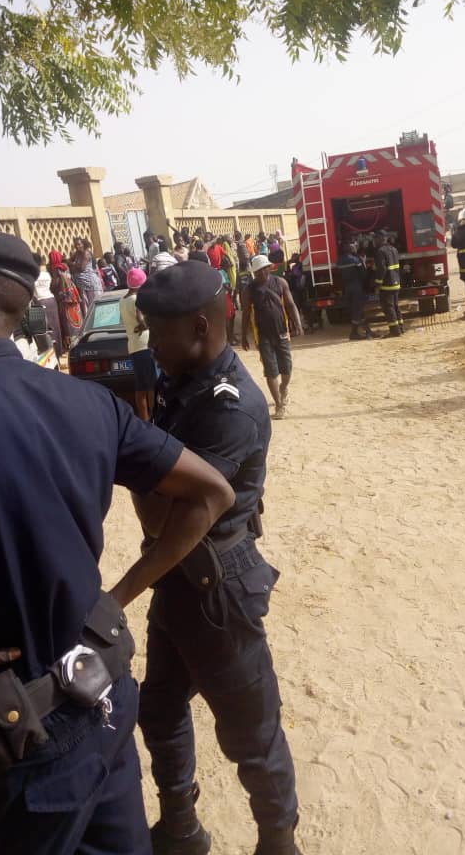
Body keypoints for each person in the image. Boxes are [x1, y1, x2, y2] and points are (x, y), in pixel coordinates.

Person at [0, 227, 235, 855]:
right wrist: (121, 594)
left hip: (15, 746)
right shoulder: (89, 402)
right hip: (101, 702)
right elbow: (211, 492)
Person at [112, 262, 302, 855]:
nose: (150, 345)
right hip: (180, 584)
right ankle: (181, 830)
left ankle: (278, 841)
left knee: (251, 734)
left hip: (217, 587)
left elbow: (177, 525)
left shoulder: (227, 406)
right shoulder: (183, 381)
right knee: (161, 708)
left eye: (157, 332)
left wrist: (112, 599)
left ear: (199, 326)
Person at [241, 255, 302, 420]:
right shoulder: (249, 290)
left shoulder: (280, 283)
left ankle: (283, 388)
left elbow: (290, 304)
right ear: (254, 272)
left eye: (264, 269)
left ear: (269, 268)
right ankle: (279, 405)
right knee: (271, 371)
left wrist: (297, 323)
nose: (261, 273)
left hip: (282, 331)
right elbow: (246, 313)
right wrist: (243, 336)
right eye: (258, 271)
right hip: (262, 336)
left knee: (287, 368)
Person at [120, 266, 157, 421]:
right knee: (152, 386)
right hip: (145, 345)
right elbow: (141, 319)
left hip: (133, 346)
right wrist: (147, 324)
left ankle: (144, 419)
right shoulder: (137, 300)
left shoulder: (123, 300)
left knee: (140, 387)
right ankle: (155, 418)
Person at [48, 248, 84, 349]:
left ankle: (71, 345)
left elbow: (55, 284)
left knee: (67, 322)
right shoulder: (65, 267)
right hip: (73, 298)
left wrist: (51, 288)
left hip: (65, 300)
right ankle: (79, 340)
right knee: (76, 318)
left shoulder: (55, 269)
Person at [337, 243, 373, 341]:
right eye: (354, 247)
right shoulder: (355, 259)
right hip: (356, 287)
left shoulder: (340, 260)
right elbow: (364, 273)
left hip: (347, 288)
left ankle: (368, 331)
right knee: (357, 310)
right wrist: (364, 262)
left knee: (358, 310)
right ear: (351, 249)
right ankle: (353, 333)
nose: (355, 248)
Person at [373, 230, 404, 337]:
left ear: (380, 238)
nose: (374, 241)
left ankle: (394, 331)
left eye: (375, 239)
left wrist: (378, 284)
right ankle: (400, 328)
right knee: (395, 306)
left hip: (387, 285)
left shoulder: (380, 252)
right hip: (396, 282)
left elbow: (382, 269)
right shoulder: (394, 249)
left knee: (388, 307)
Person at [32, 254, 64, 357]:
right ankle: (59, 352)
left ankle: (51, 355)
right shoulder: (46, 274)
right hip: (51, 300)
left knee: (43, 331)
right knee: (56, 327)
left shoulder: (32, 276)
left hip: (39, 303)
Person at [70, 236, 104, 317]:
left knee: (96, 305)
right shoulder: (77, 253)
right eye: (75, 245)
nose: (77, 246)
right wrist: (73, 264)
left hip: (91, 283)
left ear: (83, 244)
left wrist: (72, 264)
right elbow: (70, 260)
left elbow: (82, 268)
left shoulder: (86, 253)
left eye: (78, 244)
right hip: (82, 284)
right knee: (87, 307)